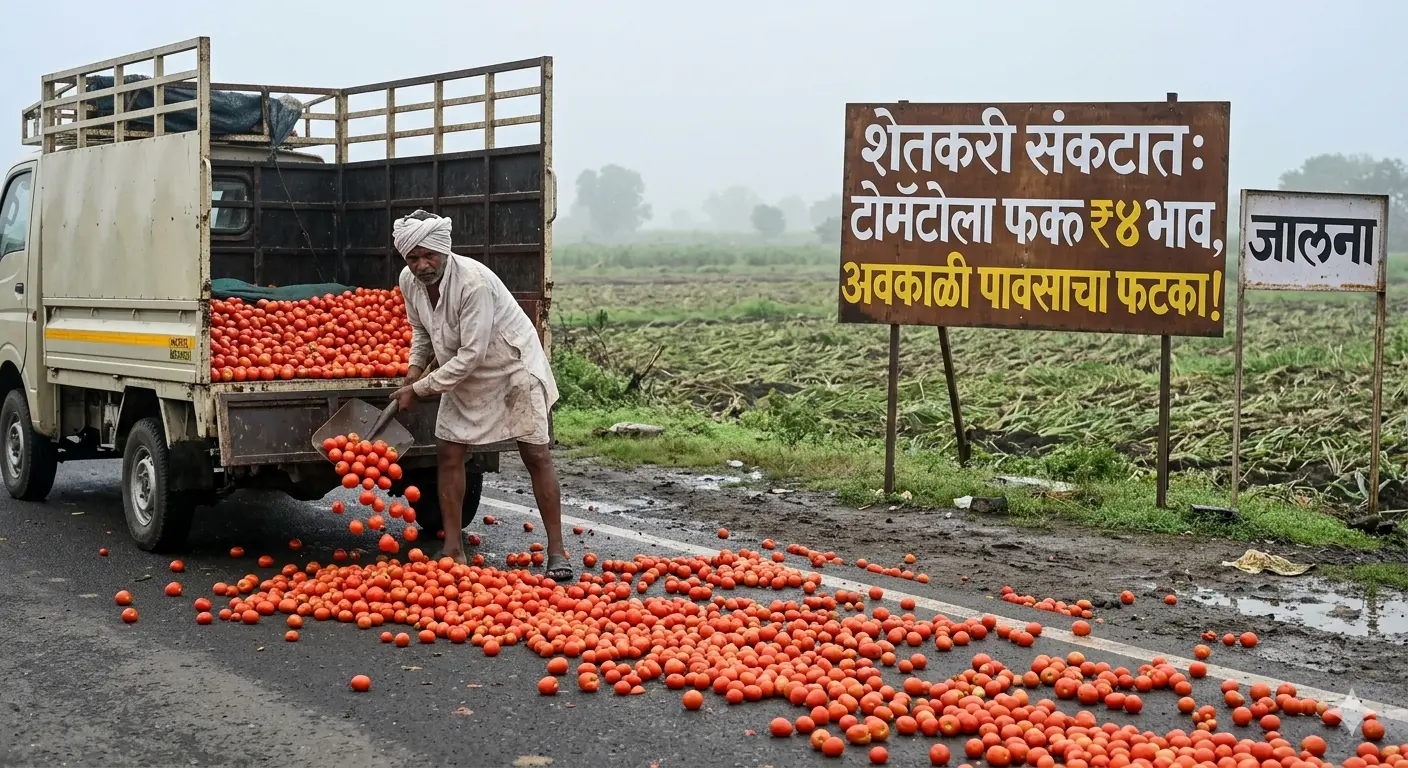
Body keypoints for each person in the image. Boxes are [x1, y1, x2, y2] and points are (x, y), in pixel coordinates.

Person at [388, 209, 572, 580]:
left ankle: (557, 551)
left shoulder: (473, 283)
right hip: (460, 369)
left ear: (445, 251)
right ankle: (453, 548)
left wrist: (420, 390)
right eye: (414, 258)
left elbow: (471, 355)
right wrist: (410, 373)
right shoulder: (409, 281)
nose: (422, 265)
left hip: (511, 367)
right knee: (449, 450)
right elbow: (422, 332)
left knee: (535, 452)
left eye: (429, 256)